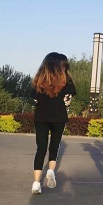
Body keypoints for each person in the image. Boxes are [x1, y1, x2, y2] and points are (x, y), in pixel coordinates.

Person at [30, 52, 76, 195]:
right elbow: (67, 102)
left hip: (41, 117)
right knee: (54, 146)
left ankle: (36, 183)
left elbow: (35, 100)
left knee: (41, 149)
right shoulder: (67, 81)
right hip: (59, 117)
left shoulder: (39, 80)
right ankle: (50, 170)